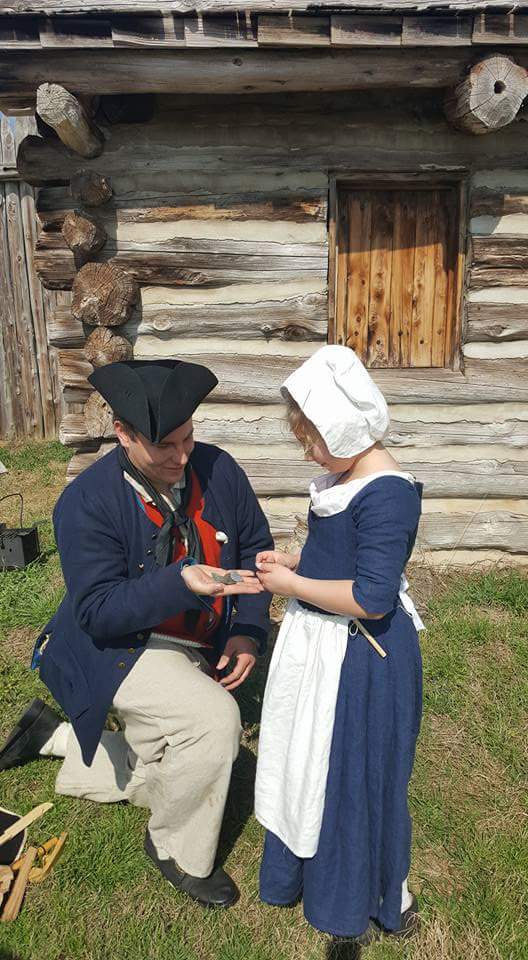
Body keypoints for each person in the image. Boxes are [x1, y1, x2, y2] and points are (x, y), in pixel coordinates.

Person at [0, 358, 272, 909]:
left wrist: (246, 632)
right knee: (214, 726)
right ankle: (176, 848)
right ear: (122, 435)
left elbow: (254, 550)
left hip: (196, 643)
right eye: (164, 446)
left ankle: (52, 738)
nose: (181, 456)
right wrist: (180, 582)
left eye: (188, 439)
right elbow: (99, 611)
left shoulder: (220, 470)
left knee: (170, 763)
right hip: (119, 647)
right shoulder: (85, 503)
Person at [254, 345, 424, 944]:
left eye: (314, 437)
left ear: (344, 426)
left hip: (363, 660)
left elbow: (374, 596)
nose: (308, 450)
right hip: (322, 643)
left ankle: (359, 895)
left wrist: (292, 584)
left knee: (352, 776)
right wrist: (299, 562)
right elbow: (343, 560)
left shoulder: (389, 493)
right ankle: (301, 873)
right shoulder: (345, 481)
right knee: (307, 764)